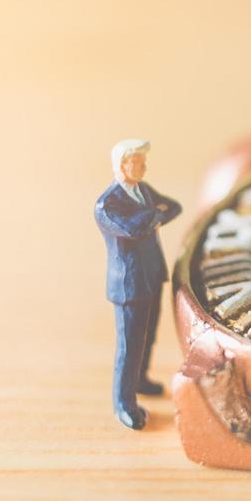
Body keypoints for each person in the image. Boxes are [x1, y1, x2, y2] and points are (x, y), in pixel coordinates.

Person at [94, 139, 182, 429]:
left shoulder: (143, 190)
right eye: (139, 161)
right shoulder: (107, 204)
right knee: (129, 345)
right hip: (129, 285)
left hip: (153, 274)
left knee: (149, 336)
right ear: (123, 165)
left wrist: (153, 216)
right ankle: (124, 403)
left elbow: (174, 207)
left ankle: (141, 378)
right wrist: (154, 215)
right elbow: (133, 228)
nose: (145, 165)